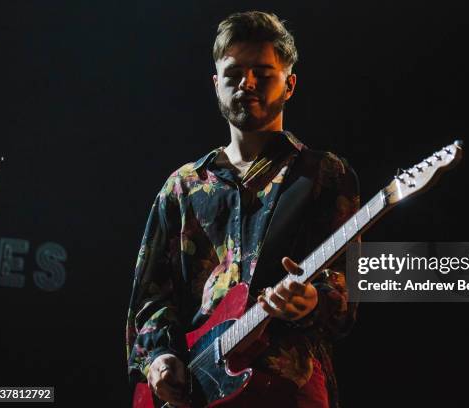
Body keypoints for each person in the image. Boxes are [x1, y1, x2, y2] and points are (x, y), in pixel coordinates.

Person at [126, 11, 360, 408]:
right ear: (216, 84)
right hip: (197, 391)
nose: (247, 84)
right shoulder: (181, 187)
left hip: (288, 389)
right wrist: (160, 359)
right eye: (234, 73)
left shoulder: (324, 174)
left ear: (290, 84)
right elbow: (150, 299)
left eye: (263, 73)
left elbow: (348, 292)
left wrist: (313, 300)